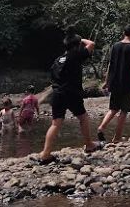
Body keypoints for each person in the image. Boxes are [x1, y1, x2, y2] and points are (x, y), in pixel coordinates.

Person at [38, 33, 102, 164]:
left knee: (55, 124)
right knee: (83, 117)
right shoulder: (75, 54)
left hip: (57, 94)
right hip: (71, 93)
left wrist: (72, 41)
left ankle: (45, 153)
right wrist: (80, 39)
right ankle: (89, 145)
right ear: (76, 45)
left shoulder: (58, 60)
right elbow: (91, 44)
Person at [97, 25, 130, 143]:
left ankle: (101, 127)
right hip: (127, 84)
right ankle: (117, 137)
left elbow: (110, 65)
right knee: (124, 111)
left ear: (123, 33)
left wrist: (107, 81)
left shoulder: (115, 46)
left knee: (113, 108)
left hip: (115, 82)